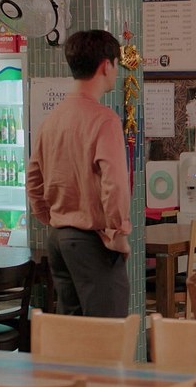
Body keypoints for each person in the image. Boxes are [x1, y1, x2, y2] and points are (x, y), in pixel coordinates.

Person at [26, 29, 131, 317]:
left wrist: (51, 217)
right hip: (92, 242)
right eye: (117, 64)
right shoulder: (104, 120)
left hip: (60, 240)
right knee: (108, 333)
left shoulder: (52, 119)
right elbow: (115, 183)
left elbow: (33, 178)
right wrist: (118, 231)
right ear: (106, 65)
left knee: (72, 333)